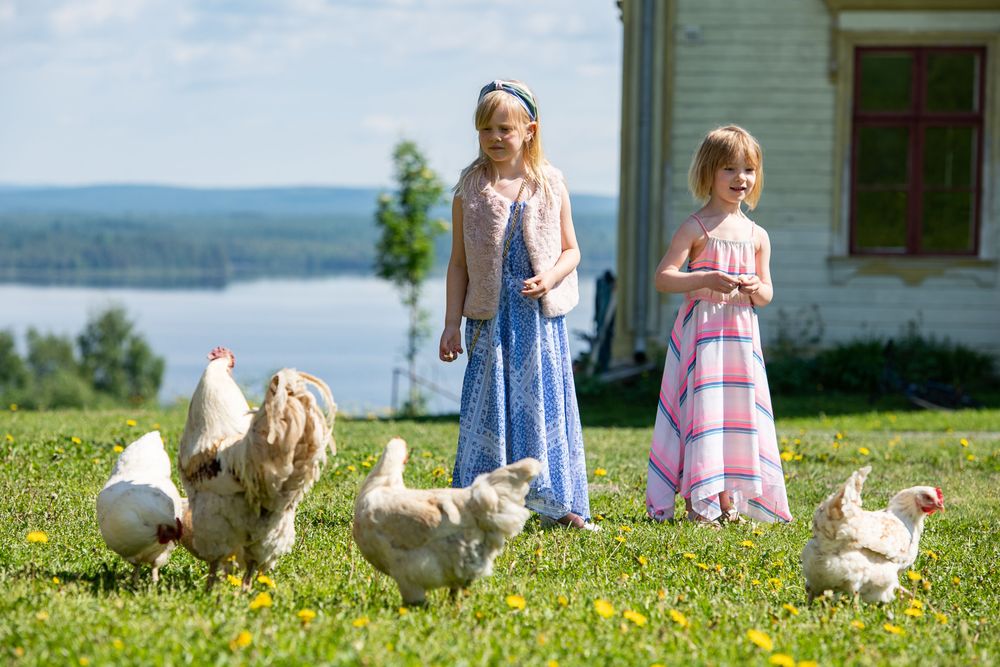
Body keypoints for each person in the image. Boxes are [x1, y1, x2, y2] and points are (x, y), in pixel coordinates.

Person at [439, 79, 596, 530]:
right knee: (490, 403)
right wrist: (452, 323)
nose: (494, 137)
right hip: (490, 317)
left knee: (543, 403)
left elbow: (572, 250)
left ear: (530, 129)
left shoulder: (549, 184)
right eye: (486, 129)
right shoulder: (469, 190)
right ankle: (481, 502)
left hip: (537, 318)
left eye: (505, 128)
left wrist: (549, 277)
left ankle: (557, 504)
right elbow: (458, 264)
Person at [646, 125, 791, 527]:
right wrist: (705, 279)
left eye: (749, 169)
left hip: (741, 338)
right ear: (709, 172)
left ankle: (729, 501)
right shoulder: (696, 228)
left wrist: (754, 287)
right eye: (729, 169)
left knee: (736, 413)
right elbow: (664, 277)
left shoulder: (757, 235)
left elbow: (766, 294)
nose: (741, 178)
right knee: (704, 411)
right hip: (703, 335)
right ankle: (700, 501)